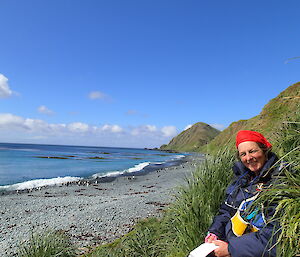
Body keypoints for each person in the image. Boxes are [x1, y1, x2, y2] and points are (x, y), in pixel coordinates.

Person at [205, 130, 281, 257]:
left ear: (265, 150)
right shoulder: (240, 181)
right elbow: (225, 212)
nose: (248, 158)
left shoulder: (281, 181)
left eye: (252, 151)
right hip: (229, 244)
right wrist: (214, 232)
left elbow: (277, 235)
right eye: (243, 154)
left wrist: (231, 250)